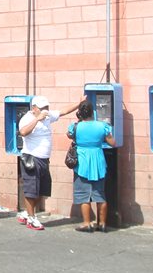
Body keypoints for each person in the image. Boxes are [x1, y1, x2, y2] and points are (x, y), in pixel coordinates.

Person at [16, 95, 80, 231]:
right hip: (31, 158)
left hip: (44, 159)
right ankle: (32, 218)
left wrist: (79, 103)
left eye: (47, 107)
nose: (46, 110)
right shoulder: (27, 118)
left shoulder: (48, 116)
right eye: (42, 108)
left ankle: (28, 213)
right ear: (34, 108)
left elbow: (63, 111)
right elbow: (23, 132)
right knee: (31, 190)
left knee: (43, 190)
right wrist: (37, 120)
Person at [67, 100, 116, 232]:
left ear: (80, 113)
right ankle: (103, 223)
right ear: (93, 112)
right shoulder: (102, 126)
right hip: (98, 159)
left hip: (82, 161)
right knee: (100, 194)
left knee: (84, 195)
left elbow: (69, 136)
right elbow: (113, 143)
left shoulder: (75, 126)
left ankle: (87, 223)